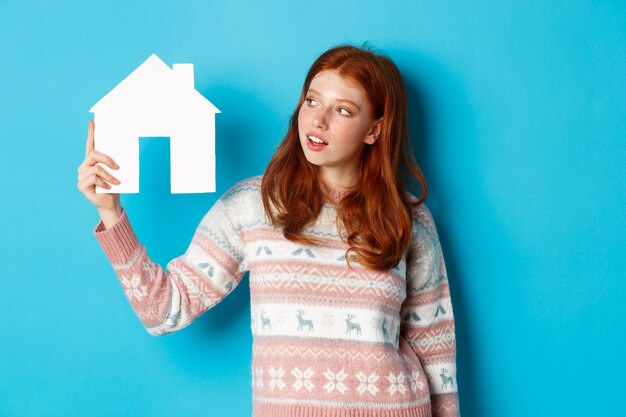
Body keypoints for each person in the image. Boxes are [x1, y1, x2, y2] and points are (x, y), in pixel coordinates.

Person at [77, 44, 461, 417]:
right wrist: (111, 213)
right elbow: (163, 311)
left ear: (374, 130)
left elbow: (434, 349)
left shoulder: (407, 218)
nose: (318, 120)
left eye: (342, 110)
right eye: (312, 101)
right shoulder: (252, 205)